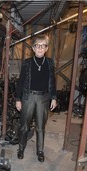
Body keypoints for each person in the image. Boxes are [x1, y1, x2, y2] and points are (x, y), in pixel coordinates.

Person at [15, 34, 57, 162]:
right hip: (28, 97)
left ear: (46, 48)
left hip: (43, 98)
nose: (40, 49)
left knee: (40, 127)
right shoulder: (27, 63)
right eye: (37, 46)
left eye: (43, 46)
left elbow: (52, 81)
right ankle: (21, 148)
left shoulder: (50, 63)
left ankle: (40, 151)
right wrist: (18, 99)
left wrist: (53, 97)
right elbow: (21, 81)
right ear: (33, 48)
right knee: (24, 126)